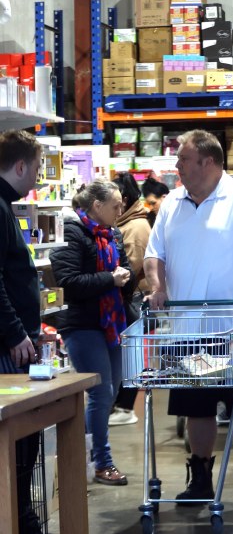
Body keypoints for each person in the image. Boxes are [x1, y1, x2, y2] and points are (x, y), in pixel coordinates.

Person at [144, 129, 233, 512]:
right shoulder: (172, 203)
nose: (177, 167)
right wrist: (157, 287)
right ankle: (200, 479)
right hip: (188, 330)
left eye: (183, 159)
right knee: (197, 406)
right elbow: (155, 254)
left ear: (208, 161)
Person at [51, 178, 137, 486]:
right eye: (115, 205)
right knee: (100, 393)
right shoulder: (72, 232)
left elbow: (124, 268)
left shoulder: (112, 233)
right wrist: (110, 279)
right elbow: (69, 282)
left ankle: (86, 456)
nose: (121, 209)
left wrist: (126, 279)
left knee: (110, 392)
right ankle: (101, 462)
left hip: (111, 323)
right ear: (97, 206)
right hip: (83, 325)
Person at [0, 130, 47, 533]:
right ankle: (19, 519)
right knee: (17, 440)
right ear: (20, 166)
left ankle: (21, 515)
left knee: (23, 441)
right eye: (35, 167)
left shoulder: (4, 206)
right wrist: (16, 333)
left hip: (15, 343)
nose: (38, 175)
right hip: (7, 349)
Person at [108, 172, 152, 427]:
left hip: (134, 297)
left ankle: (125, 406)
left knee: (130, 352)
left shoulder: (134, 226)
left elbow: (132, 266)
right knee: (130, 351)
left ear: (123, 199)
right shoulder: (130, 222)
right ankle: (122, 404)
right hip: (133, 295)